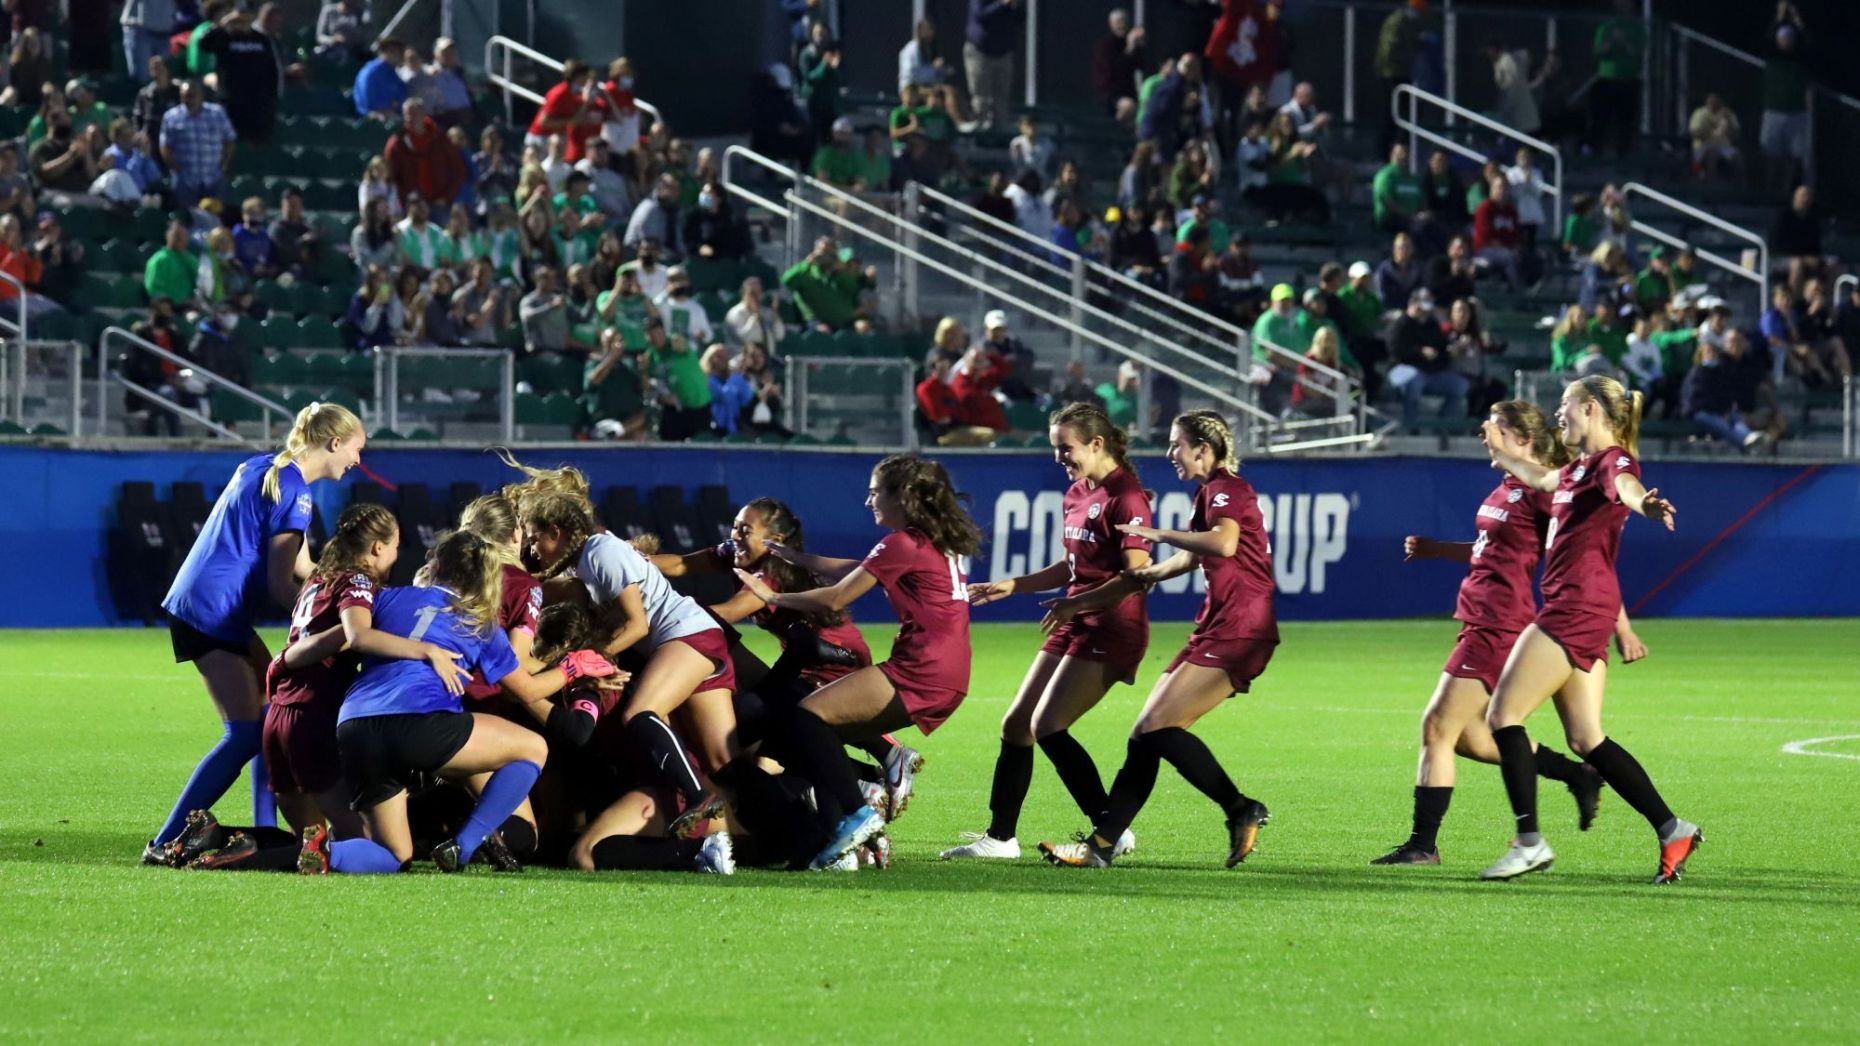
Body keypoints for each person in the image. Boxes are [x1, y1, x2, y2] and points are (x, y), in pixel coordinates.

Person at [1371, 401, 1632, 865]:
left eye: (1498, 429)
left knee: (1437, 726)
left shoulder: (1544, 492)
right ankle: (1577, 775)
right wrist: (1438, 550)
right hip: (1480, 618)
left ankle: (1422, 845)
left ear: (1524, 440)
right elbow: (1490, 549)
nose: (1486, 435)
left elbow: (1588, 553)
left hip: (1502, 623)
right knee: (1471, 737)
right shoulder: (1507, 489)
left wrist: (1619, 622)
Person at [1477, 376, 1698, 883]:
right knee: (1585, 738)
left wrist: (1645, 505)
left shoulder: (1611, 462)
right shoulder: (1575, 469)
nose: (1559, 414)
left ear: (1592, 409)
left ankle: (1529, 841)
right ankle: (1673, 828)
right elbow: (1541, 479)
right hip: (1580, 608)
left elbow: (1627, 486)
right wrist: (1501, 454)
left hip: (1574, 610)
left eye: (1565, 405)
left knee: (1503, 715)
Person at [298, 530, 619, 875]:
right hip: (420, 724)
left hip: (355, 726)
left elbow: (342, 640)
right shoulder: (480, 622)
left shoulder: (387, 599)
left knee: (394, 855)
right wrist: (574, 666)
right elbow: (526, 690)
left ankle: (328, 852)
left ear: (435, 565)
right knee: (533, 748)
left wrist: (284, 664)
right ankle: (462, 847)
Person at [1039, 411, 1274, 870]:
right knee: (1144, 736)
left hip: (1240, 627)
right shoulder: (1210, 493)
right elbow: (1190, 559)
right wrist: (1146, 574)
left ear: (1203, 449)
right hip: (1219, 623)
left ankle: (1240, 807)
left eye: (1176, 445)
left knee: (1156, 729)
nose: (1170, 454)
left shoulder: (1228, 488)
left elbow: (1224, 544)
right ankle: (1101, 847)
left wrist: (1158, 534)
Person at [142, 403, 365, 863]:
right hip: (211, 612)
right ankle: (165, 841)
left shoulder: (268, 469)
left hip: (207, 606)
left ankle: (267, 832)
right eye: (357, 450)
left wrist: (337, 586)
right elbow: (283, 583)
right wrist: (326, 631)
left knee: (273, 712)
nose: (358, 462)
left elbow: (302, 567)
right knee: (245, 732)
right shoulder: (296, 492)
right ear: (334, 443)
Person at [733, 455, 981, 869]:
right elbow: (859, 569)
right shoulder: (928, 540)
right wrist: (798, 558)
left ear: (901, 495)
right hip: (948, 672)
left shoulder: (903, 542)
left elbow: (837, 596)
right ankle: (852, 829)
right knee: (809, 733)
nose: (868, 502)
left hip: (922, 669)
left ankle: (859, 808)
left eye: (874, 492)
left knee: (806, 719)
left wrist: (773, 597)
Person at [942, 403, 1152, 861]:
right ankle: (1000, 839)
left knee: (1047, 726)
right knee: (1017, 725)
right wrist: (1014, 585)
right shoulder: (1077, 492)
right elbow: (1073, 564)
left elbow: (1136, 574)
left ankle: (1110, 827)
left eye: (1066, 448)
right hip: (1076, 617)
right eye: (1055, 447)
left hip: (1114, 625)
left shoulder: (1127, 496)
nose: (1059, 457)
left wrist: (1076, 601)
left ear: (1097, 444)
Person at [522, 492, 756, 862]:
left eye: (535, 538)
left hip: (688, 634)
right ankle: (785, 822)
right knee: (721, 761)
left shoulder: (599, 550)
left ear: (556, 530)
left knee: (641, 714)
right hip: (685, 638)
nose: (533, 549)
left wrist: (588, 661)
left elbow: (636, 624)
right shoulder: (587, 560)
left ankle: (699, 800)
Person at [1388, 288, 1467, 430]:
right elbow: (1396, 351)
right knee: (1414, 379)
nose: (1423, 311)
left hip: (1430, 372)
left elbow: (1442, 348)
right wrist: (1420, 352)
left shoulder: (1432, 325)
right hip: (1401, 370)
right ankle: (1411, 426)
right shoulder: (1399, 325)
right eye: (1420, 306)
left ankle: (1442, 426)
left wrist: (1449, 352)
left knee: (1459, 385)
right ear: (1413, 303)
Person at [159, 79, 236, 207]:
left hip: (213, 177)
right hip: (185, 180)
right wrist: (176, 168)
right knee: (188, 219)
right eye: (186, 96)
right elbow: (165, 146)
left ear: (201, 95)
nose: (189, 99)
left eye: (193, 95)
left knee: (215, 219)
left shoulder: (216, 113)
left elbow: (229, 139)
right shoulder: (171, 117)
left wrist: (224, 164)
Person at [1759, 13, 1808, 194]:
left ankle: (1786, 190)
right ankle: (1768, 189)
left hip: (1796, 113)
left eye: (1789, 39)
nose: (1786, 42)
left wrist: (1797, 20)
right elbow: (1767, 40)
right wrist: (1778, 17)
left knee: (1794, 157)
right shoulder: (1773, 58)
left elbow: (1806, 43)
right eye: (1783, 39)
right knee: (1770, 155)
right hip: (1774, 112)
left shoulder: (1799, 59)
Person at [1588, 0, 1644, 157]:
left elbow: (1637, 52)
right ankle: (1595, 152)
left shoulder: (1637, 28)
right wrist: (1611, 42)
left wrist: (1624, 41)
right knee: (1600, 118)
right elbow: (1598, 53)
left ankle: (1623, 155)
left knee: (1625, 121)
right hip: (1607, 80)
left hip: (1628, 81)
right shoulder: (1606, 28)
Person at [964, 0, 1024, 130]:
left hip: (1003, 52)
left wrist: (1016, 6)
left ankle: (1000, 130)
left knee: (1002, 95)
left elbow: (1020, 20)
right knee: (981, 95)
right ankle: (979, 131)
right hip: (980, 51)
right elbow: (981, 15)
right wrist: (1002, 4)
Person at [1688, 93, 1741, 181]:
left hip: (1723, 146)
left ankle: (1741, 185)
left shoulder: (1728, 113)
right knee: (1712, 154)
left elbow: (1736, 133)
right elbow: (1693, 133)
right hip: (1702, 145)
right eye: (1712, 100)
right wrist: (1709, 132)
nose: (1714, 103)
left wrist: (1728, 124)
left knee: (1738, 158)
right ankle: (1710, 184)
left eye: (1717, 101)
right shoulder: (1700, 113)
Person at [1372, 141, 1422, 235]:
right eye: (1400, 153)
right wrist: (1410, 216)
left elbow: (1422, 200)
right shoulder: (1385, 175)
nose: (1403, 156)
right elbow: (1387, 201)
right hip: (1390, 220)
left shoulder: (1413, 178)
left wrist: (1423, 214)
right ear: (1392, 154)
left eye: (1406, 153)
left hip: (1412, 220)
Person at [353, 37, 408, 119]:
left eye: (400, 52)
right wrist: (387, 106)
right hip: (371, 115)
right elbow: (367, 100)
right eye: (393, 51)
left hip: (393, 112)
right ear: (384, 52)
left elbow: (402, 96)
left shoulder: (393, 72)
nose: (398, 55)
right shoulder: (371, 71)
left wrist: (398, 105)